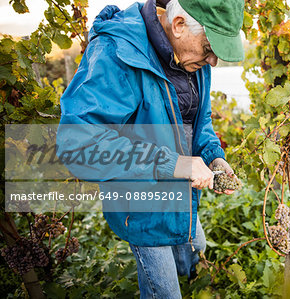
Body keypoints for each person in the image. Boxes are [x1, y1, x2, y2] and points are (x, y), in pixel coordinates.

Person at [57, 0, 245, 297]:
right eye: (209, 48)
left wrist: (214, 156)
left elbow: (200, 120)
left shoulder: (192, 58)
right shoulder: (115, 53)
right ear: (179, 25)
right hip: (142, 204)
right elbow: (78, 144)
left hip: (180, 194)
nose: (213, 62)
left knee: (195, 253)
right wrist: (175, 164)